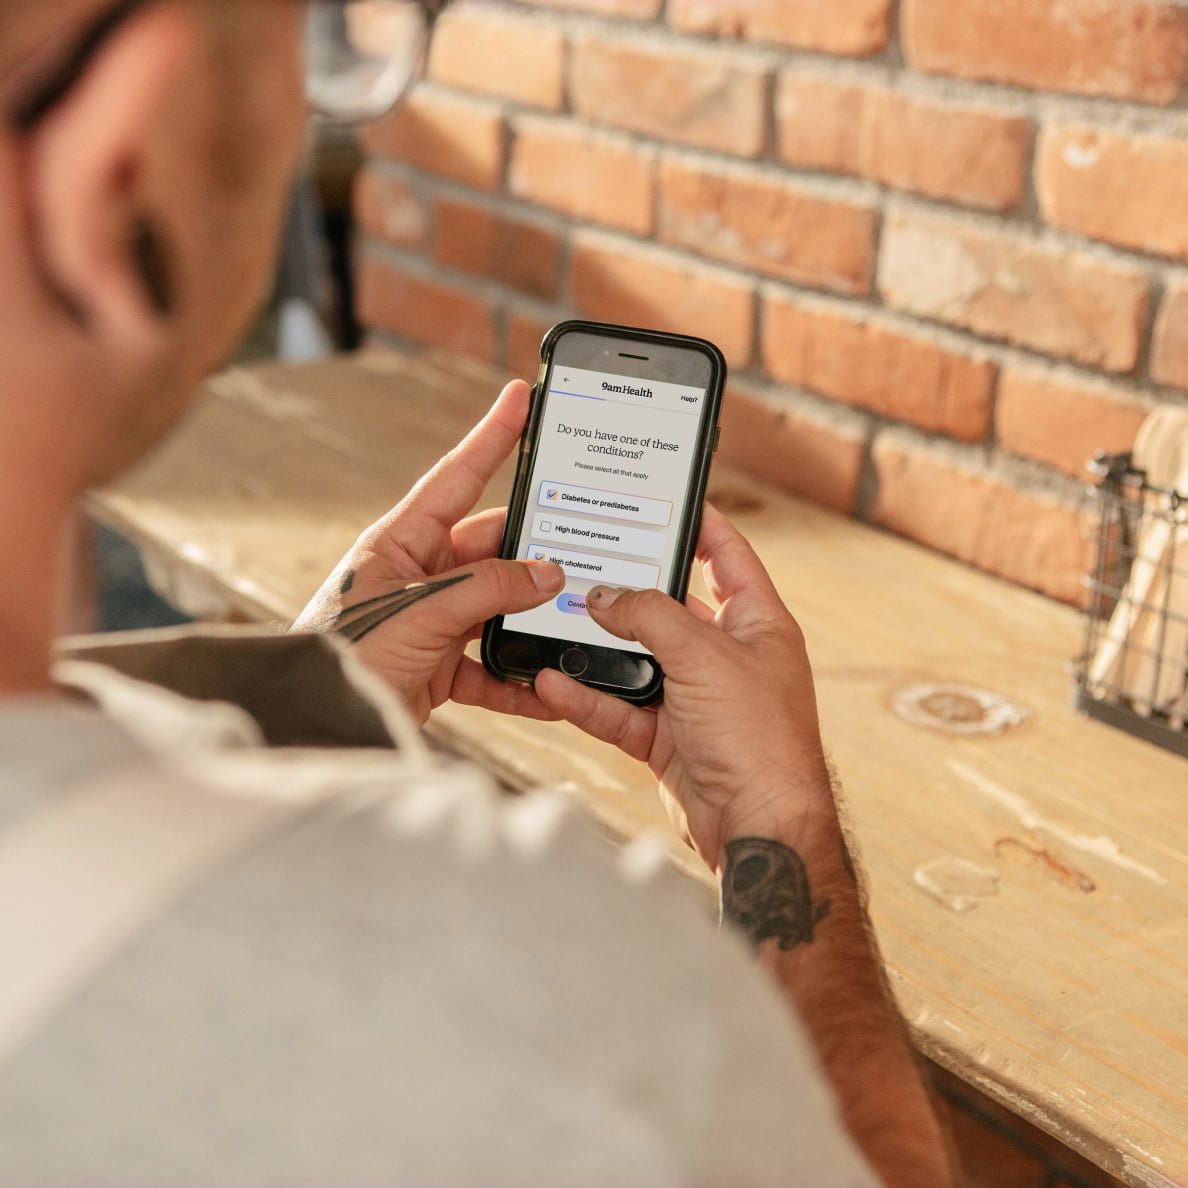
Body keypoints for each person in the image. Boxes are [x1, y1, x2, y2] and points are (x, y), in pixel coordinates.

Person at [0, 1, 952, 1183]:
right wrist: (784, 827)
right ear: (119, 156)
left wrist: (311, 691)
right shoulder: (519, 975)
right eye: (323, 37)